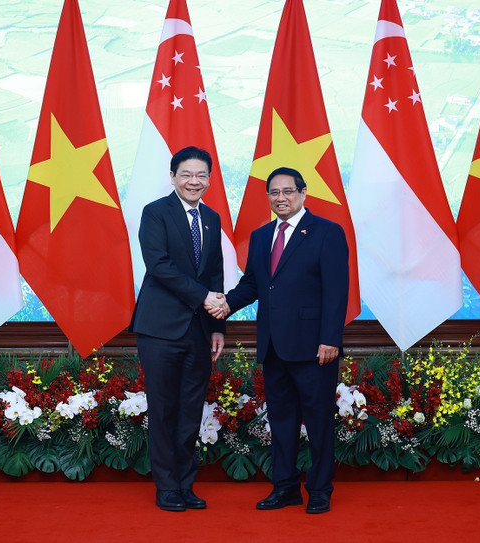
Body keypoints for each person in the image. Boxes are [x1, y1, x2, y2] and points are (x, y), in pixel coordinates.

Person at [208, 166, 348, 514]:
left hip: (315, 348)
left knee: (318, 422)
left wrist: (330, 339)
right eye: (274, 192)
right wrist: (224, 306)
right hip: (273, 347)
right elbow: (253, 285)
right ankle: (285, 487)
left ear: (303, 193)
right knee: (281, 421)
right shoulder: (261, 236)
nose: (281, 198)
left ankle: (320, 489)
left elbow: (337, 290)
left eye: (288, 191)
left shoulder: (327, 232)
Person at [130, 146, 226, 512]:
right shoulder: (155, 213)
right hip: (159, 329)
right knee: (164, 409)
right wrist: (203, 297)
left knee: (190, 411)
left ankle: (186, 485)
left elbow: (214, 272)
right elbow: (159, 266)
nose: (194, 181)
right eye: (186, 174)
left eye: (201, 175)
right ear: (173, 177)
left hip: (199, 331)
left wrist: (217, 326)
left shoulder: (212, 218)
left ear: (209, 179)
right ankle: (167, 487)